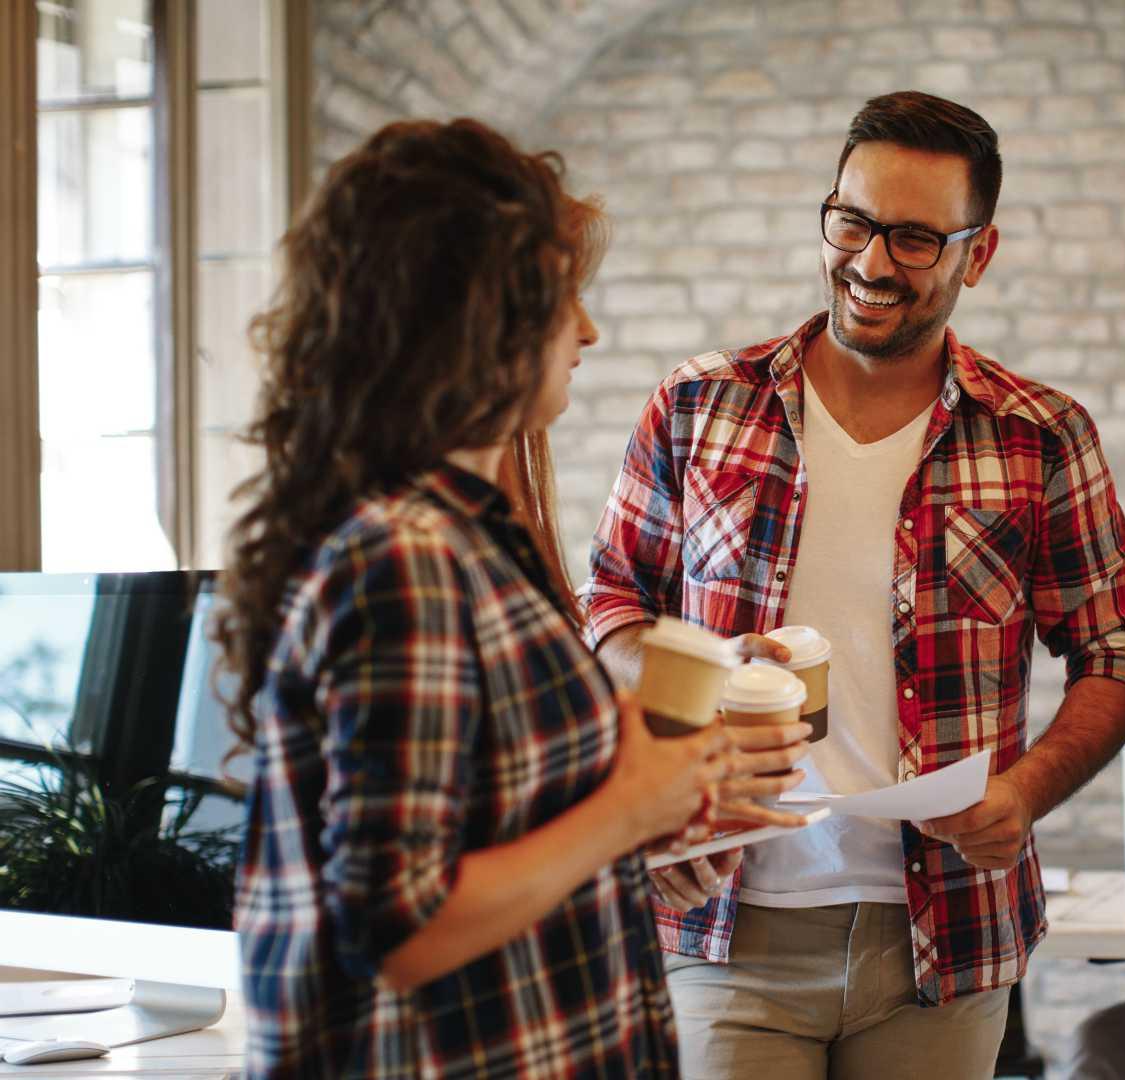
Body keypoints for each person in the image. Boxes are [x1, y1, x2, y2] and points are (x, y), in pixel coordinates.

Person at [580, 90, 1125, 1078]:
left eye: (915, 238)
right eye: (852, 221)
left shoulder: (1040, 435)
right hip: (723, 920)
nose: (872, 262)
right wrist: (700, 667)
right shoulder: (698, 405)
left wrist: (1024, 793)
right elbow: (611, 605)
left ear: (979, 254)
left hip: (945, 941)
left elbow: (1115, 655)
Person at [217, 118, 808, 1077]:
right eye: (560, 297)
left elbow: (504, 827)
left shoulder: (472, 539)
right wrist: (629, 807)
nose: (587, 328)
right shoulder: (403, 558)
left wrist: (657, 837)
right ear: (472, 315)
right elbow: (397, 923)